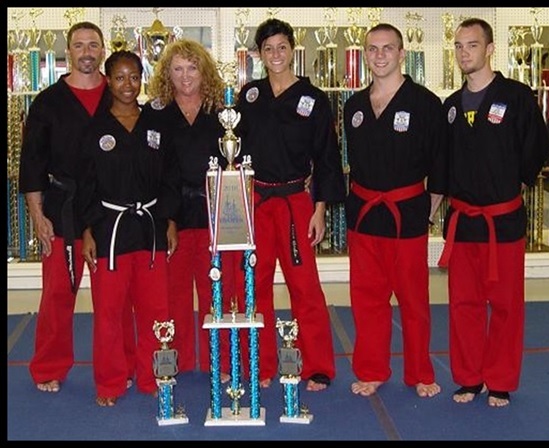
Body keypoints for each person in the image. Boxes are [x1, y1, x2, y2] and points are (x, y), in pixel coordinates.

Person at [437, 18, 549, 407]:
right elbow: (443, 165)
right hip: (464, 220)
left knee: (504, 304)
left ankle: (499, 380)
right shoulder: (450, 107)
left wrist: (515, 182)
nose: (463, 53)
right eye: (458, 46)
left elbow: (536, 148)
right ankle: (469, 377)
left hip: (502, 219)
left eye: (471, 45)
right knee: (463, 304)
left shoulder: (517, 97)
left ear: (489, 49)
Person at [19, 21, 135, 395]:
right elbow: (32, 163)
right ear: (69, 51)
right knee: (57, 294)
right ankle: (49, 367)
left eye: (93, 45)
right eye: (79, 45)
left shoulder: (118, 94)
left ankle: (124, 365)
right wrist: (38, 215)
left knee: (115, 298)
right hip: (62, 209)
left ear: (102, 51)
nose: (87, 52)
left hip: (111, 212)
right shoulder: (47, 102)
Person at [233, 18, 343, 392]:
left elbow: (327, 157)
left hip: (296, 201)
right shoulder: (249, 96)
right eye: (268, 48)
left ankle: (317, 366)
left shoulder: (313, 100)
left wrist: (320, 209)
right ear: (259, 54)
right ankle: (260, 366)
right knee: (256, 286)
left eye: (282, 47)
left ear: (293, 50)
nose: (276, 54)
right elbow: (234, 152)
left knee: (305, 287)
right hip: (257, 201)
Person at [343, 23, 444, 398]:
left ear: (402, 54)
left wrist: (428, 211)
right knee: (367, 301)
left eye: (388, 48)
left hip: (407, 216)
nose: (380, 55)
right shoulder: (354, 106)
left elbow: (441, 166)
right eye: (373, 48)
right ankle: (372, 369)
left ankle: (419, 372)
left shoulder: (425, 103)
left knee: (414, 301)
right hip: (365, 215)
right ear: (365, 54)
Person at [76, 50, 179, 406]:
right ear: (108, 80)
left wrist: (169, 220)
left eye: (134, 77)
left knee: (155, 309)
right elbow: (84, 184)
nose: (127, 85)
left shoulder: (155, 124)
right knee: (109, 312)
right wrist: (87, 229)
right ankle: (110, 382)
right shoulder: (95, 127)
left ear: (142, 78)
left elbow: (170, 176)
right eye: (119, 77)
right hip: (110, 230)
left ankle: (153, 375)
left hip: (149, 228)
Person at [148, 38, 249, 380]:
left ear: (204, 71)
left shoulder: (224, 114)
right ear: (167, 74)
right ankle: (175, 358)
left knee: (217, 289)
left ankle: (218, 361)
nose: (185, 76)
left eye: (192, 68)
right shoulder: (156, 113)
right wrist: (165, 218)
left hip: (216, 212)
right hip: (172, 214)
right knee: (173, 292)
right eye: (177, 69)